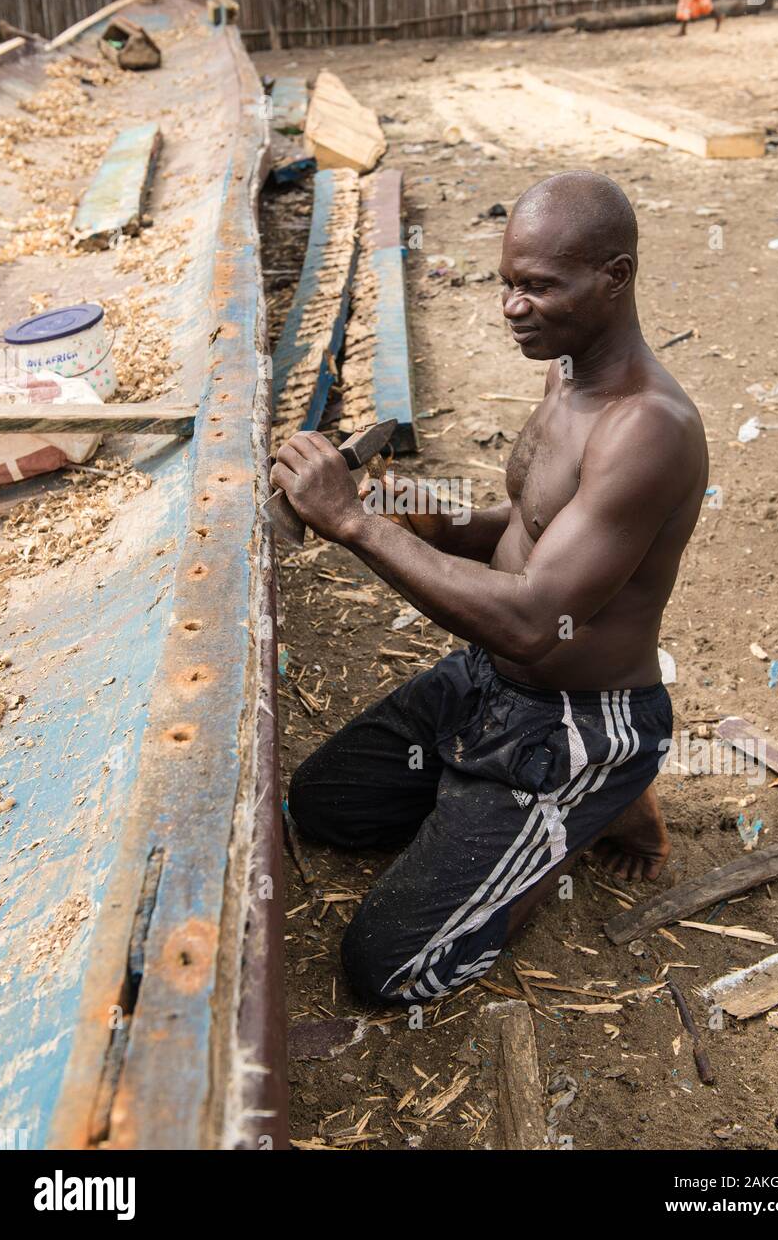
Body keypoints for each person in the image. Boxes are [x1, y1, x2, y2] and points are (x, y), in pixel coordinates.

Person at [271, 170, 708, 1006]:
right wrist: (409, 511)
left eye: (540, 286)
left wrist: (355, 527)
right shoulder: (568, 371)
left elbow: (538, 622)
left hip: (575, 714)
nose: (512, 306)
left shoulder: (648, 428)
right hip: (490, 682)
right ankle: (538, 814)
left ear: (614, 277)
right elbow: (521, 526)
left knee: (389, 972)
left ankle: (576, 811)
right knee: (323, 807)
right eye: (508, 283)